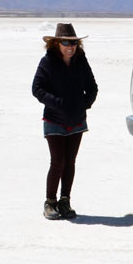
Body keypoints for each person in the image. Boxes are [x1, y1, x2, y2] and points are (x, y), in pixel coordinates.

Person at [32, 23, 98, 220]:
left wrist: (84, 103)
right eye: (66, 42)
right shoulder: (48, 62)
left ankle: (65, 201)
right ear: (56, 43)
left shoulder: (80, 61)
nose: (70, 47)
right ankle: (50, 202)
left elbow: (92, 87)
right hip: (54, 119)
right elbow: (37, 89)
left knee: (70, 162)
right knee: (58, 161)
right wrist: (58, 104)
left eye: (74, 43)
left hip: (77, 119)